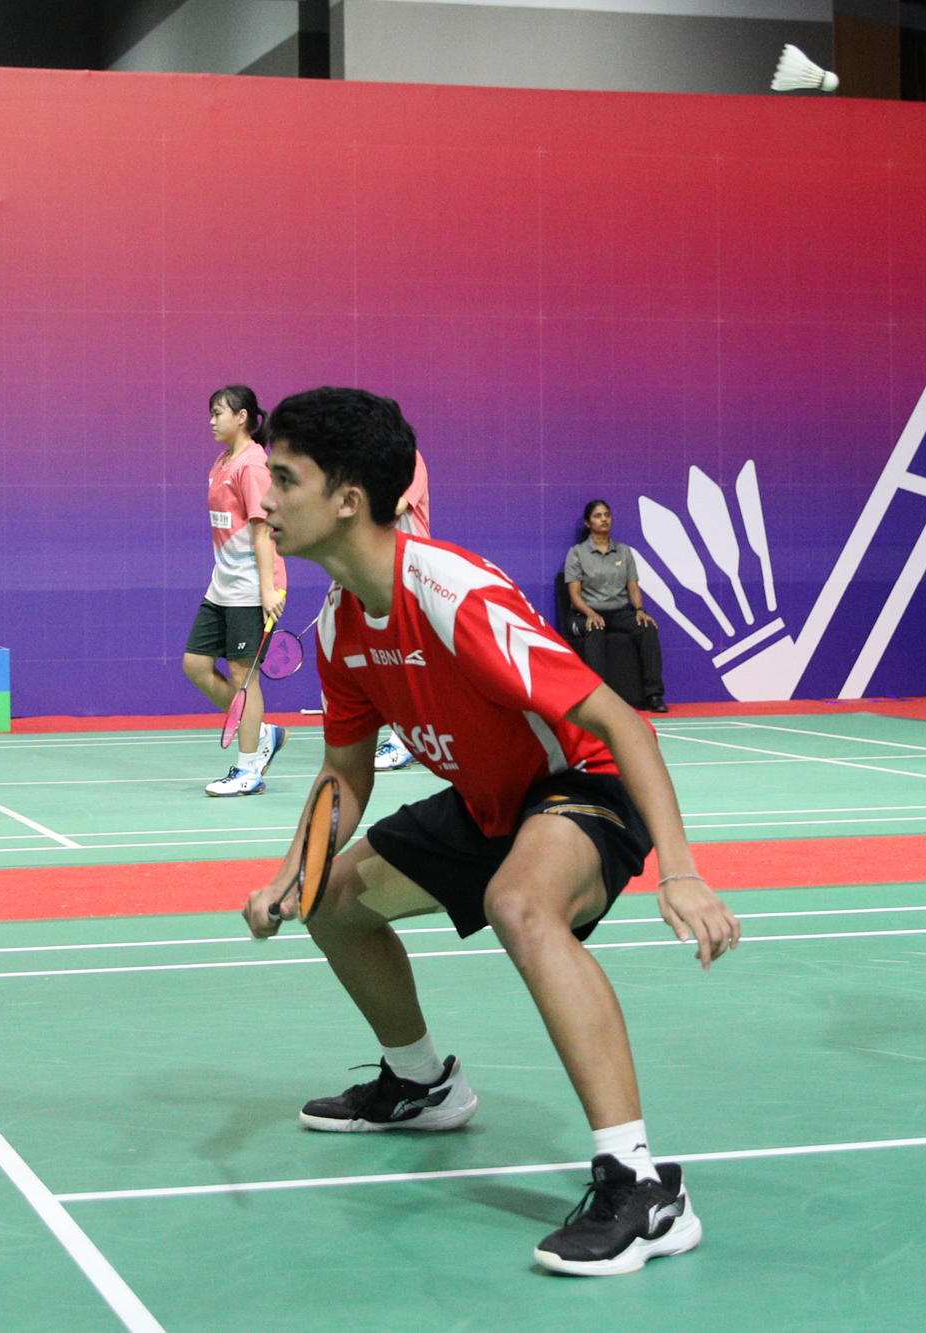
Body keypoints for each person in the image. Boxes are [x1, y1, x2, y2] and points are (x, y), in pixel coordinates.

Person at [246, 388, 738, 1276]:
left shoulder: (452, 596)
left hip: (583, 782)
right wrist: (294, 872)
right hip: (488, 799)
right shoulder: (340, 625)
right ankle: (421, 1083)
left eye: (285, 479)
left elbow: (622, 721)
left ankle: (641, 1187)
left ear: (348, 498)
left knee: (520, 901)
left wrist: (682, 871)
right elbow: (345, 774)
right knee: (333, 902)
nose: (265, 500)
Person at [184, 385, 288, 796]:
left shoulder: (253, 465)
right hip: (222, 586)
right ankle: (261, 732)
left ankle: (248, 770)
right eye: (211, 413)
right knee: (196, 664)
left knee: (245, 677)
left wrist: (268, 590)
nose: (211, 421)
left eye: (218, 413)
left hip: (251, 588)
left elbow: (263, 531)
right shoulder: (223, 461)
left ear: (242, 416)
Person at [564, 501, 667, 713]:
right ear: (588, 523)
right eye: (597, 516)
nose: (604, 519)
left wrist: (640, 611)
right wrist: (590, 613)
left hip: (619, 612)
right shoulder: (577, 553)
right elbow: (574, 595)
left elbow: (633, 588)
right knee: (596, 627)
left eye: (607, 515)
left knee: (647, 628)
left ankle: (654, 695)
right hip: (585, 613)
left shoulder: (624, 552)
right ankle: (599, 700)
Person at [372, 449, 432, 772]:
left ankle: (405, 741)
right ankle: (412, 737)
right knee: (391, 657)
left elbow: (395, 507)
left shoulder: (410, 459)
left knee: (406, 656)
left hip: (413, 568)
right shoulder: (369, 460)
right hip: (384, 568)